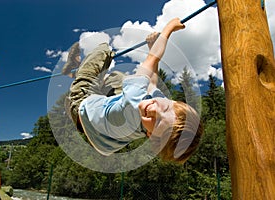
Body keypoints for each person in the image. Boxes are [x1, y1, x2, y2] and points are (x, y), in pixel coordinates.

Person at [64, 18, 203, 163]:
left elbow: (152, 60)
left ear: (150, 135)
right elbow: (153, 82)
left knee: (103, 50)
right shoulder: (151, 107)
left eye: (157, 121)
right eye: (166, 108)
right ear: (172, 102)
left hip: (81, 104)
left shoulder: (134, 103)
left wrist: (168, 29)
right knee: (119, 78)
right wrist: (151, 47)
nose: (154, 110)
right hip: (100, 131)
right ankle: (104, 87)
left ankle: (74, 73)